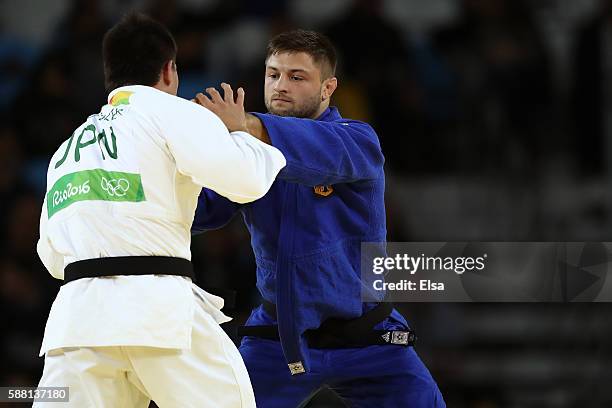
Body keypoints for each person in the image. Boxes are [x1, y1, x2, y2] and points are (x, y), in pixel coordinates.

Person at [35, 13, 285, 408]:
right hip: (157, 315)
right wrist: (237, 130)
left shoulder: (68, 149)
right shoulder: (170, 111)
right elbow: (248, 181)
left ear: (110, 76)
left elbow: (51, 256)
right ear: (169, 70)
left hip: (76, 326)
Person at [193, 29, 445, 407]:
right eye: (273, 74)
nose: (281, 85)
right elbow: (202, 211)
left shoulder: (358, 140)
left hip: (368, 337)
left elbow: (312, 151)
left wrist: (243, 127)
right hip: (279, 338)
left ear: (328, 88)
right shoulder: (245, 150)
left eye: (297, 77)